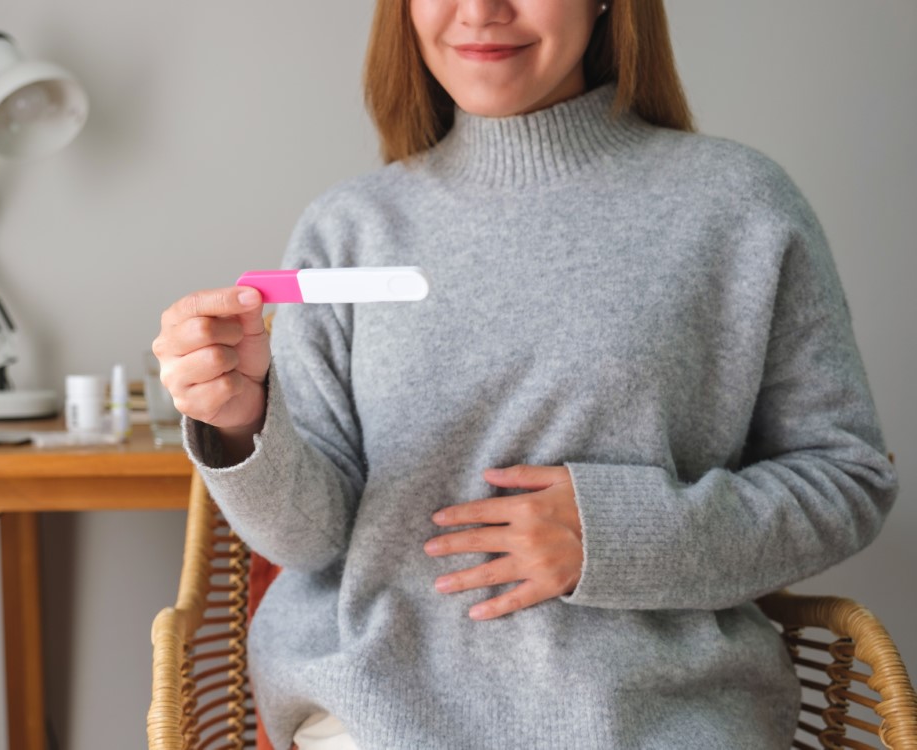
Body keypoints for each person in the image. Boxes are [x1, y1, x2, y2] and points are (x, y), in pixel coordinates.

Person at [152, 0, 899, 747]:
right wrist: (241, 422)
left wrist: (625, 533)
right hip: (379, 714)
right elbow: (310, 542)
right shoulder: (347, 228)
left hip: (662, 718)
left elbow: (846, 478)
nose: (481, 11)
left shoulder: (739, 206)